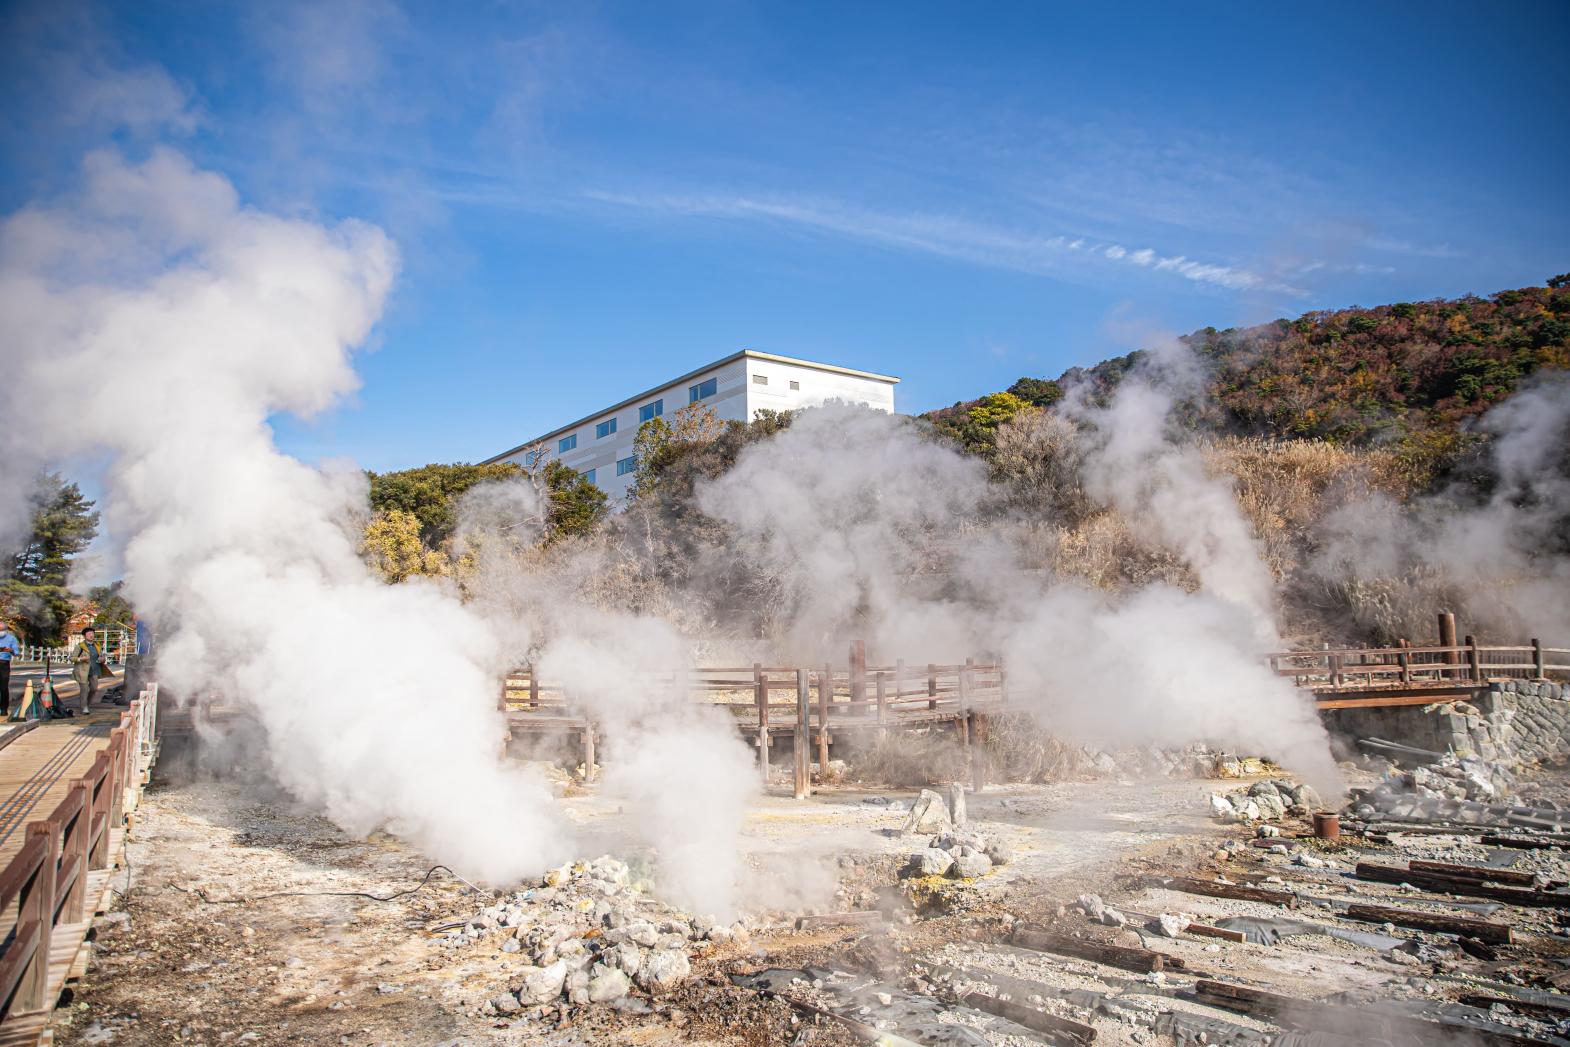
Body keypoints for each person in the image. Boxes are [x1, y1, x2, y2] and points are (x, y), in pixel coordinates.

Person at [72, 626, 107, 712]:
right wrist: (81, 659)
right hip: (82, 671)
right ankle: (84, 707)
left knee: (94, 689)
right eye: (89, 633)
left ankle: (87, 703)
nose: (91, 635)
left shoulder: (97, 645)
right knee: (84, 689)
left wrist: (103, 659)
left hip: (94, 670)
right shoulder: (80, 646)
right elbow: (72, 658)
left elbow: (102, 656)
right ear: (84, 636)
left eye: (92, 633)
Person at [0, 620, 19, 719]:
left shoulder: (11, 639)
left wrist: (10, 650)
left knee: (3, 687)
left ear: (6, 630)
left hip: (4, 664)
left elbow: (16, 653)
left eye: (2, 630)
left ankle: (3, 709)